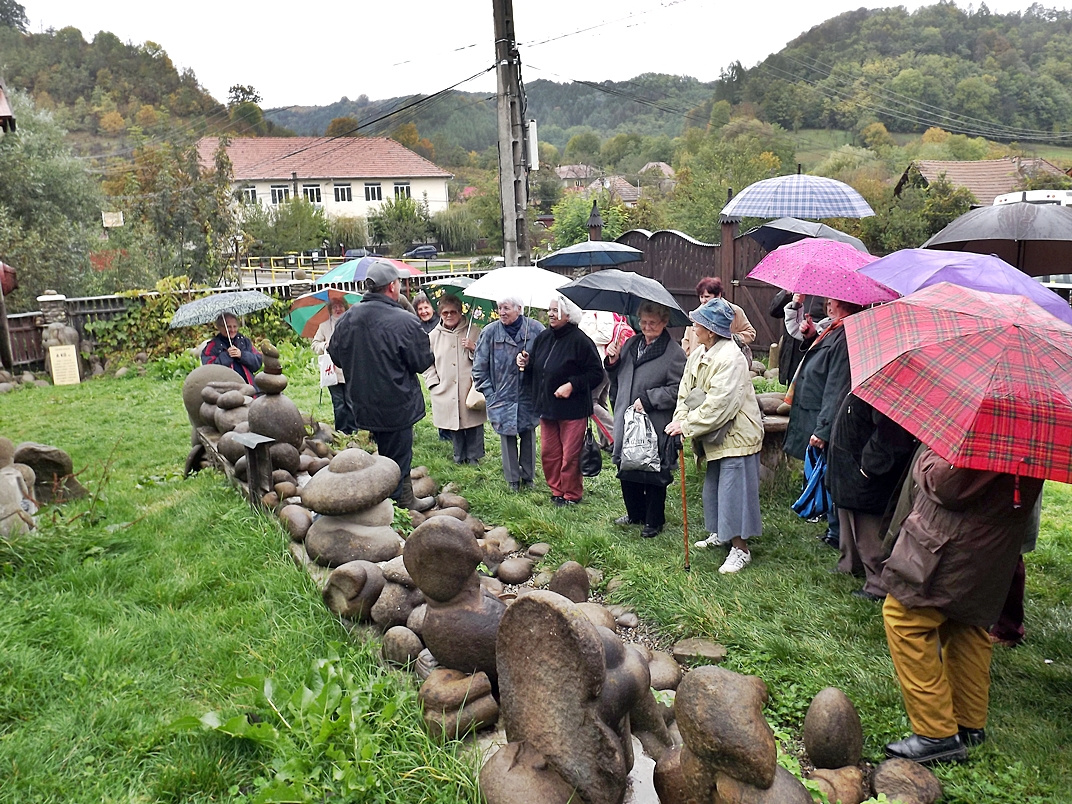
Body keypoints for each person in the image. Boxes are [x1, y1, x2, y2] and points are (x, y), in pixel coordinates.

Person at [881, 447, 1044, 765]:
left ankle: (936, 734)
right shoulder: (1037, 435)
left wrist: (926, 457)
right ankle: (969, 723)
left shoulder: (995, 430)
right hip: (991, 548)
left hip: (956, 545)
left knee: (904, 618)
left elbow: (947, 484)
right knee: (966, 623)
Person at [328, 261, 435, 511]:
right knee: (398, 456)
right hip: (397, 403)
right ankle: (400, 504)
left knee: (386, 452)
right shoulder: (403, 321)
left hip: (362, 403)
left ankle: (387, 498)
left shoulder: (348, 318)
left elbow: (335, 354)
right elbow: (422, 362)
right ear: (392, 287)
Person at [666, 299, 764, 574]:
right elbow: (686, 391)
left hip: (738, 436)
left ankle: (740, 548)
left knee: (735, 491)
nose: (693, 327)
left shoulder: (731, 358)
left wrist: (687, 427)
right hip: (715, 434)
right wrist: (680, 419)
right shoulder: (699, 354)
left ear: (710, 330)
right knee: (715, 487)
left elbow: (720, 404)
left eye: (697, 323)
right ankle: (722, 532)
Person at [783, 297, 862, 550]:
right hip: (815, 410)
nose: (828, 304)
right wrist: (812, 336)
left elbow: (836, 385)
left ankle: (837, 532)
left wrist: (824, 428)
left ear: (844, 303)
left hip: (828, 416)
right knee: (825, 471)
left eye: (832, 301)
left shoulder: (846, 335)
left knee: (831, 473)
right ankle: (833, 526)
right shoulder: (834, 328)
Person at [605, 302, 686, 538]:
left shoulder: (674, 353)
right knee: (627, 465)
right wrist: (612, 360)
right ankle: (634, 513)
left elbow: (678, 389)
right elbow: (616, 375)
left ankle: (654, 520)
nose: (647, 326)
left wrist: (649, 399)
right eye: (643, 322)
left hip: (653, 422)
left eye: (652, 322)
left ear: (663, 323)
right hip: (626, 417)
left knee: (653, 470)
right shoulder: (631, 343)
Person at [827, 393, 916, 600]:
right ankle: (850, 564)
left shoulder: (888, 390)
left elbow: (891, 436)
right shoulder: (866, 378)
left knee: (869, 531)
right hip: (849, 466)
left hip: (868, 473)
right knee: (848, 518)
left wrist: (868, 468)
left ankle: (878, 584)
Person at [518, 295, 604, 506]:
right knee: (549, 453)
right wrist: (526, 362)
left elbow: (596, 374)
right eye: (550, 310)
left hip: (572, 410)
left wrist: (572, 385)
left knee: (570, 455)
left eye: (555, 310)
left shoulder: (581, 341)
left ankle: (572, 494)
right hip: (548, 407)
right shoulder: (544, 338)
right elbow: (538, 367)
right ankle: (557, 491)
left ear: (569, 315)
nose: (550, 314)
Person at [472, 296, 544, 491]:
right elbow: (479, 368)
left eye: (506, 308)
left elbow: (547, 361)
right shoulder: (489, 332)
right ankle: (512, 480)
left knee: (528, 433)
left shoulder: (536, 329)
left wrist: (530, 363)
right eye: (499, 308)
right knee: (506, 436)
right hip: (501, 396)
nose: (501, 312)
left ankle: (528, 477)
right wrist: (490, 393)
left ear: (519, 309)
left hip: (528, 394)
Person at [424, 294, 486, 464]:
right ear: (440, 314)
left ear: (460, 312)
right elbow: (426, 363)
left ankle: (474, 456)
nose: (449, 316)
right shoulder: (433, 336)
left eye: (453, 312)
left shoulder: (474, 331)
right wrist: (433, 383)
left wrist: (473, 348)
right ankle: (459, 455)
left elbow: (486, 359)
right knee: (454, 423)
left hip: (470, 387)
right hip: (445, 387)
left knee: (473, 422)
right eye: (445, 313)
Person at [310, 296, 356, 434]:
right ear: (330, 310)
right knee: (339, 403)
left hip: (350, 369)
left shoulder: (352, 324)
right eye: (334, 306)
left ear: (346, 308)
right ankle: (341, 431)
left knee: (351, 401)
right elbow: (314, 344)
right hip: (331, 371)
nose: (338, 309)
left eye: (340, 306)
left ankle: (354, 430)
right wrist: (325, 345)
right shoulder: (324, 326)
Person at [681, 277, 756, 358]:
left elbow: (750, 333)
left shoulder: (734, 311)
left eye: (707, 296)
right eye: (701, 297)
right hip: (698, 361)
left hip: (724, 359)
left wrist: (731, 339)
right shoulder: (695, 315)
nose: (703, 300)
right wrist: (689, 359)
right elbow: (686, 341)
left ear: (718, 295)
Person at [201, 313, 262, 385]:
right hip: (225, 389)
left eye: (235, 326)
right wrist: (226, 356)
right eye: (228, 327)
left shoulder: (244, 341)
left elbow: (257, 362)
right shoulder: (212, 346)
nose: (232, 330)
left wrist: (242, 355)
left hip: (249, 387)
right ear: (219, 327)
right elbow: (209, 370)